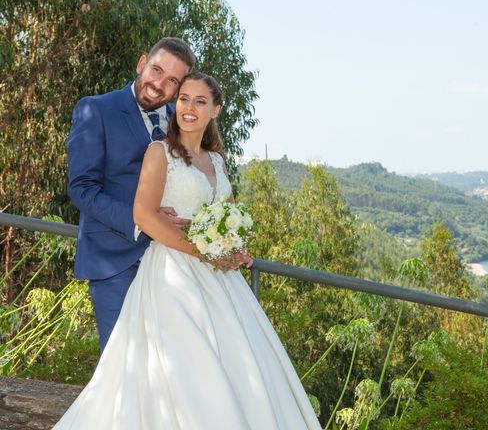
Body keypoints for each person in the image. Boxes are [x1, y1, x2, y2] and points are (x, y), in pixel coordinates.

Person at [54, 73, 321, 429]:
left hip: (221, 281)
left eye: (199, 101)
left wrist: (235, 247)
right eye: (183, 99)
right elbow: (144, 216)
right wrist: (204, 251)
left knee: (240, 364)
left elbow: (222, 216)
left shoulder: (218, 161)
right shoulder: (158, 152)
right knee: (188, 369)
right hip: (171, 275)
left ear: (215, 110)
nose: (188, 108)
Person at [67, 37, 195, 353]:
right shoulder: (95, 109)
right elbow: (82, 189)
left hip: (172, 260)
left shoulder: (182, 122)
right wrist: (142, 220)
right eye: (156, 70)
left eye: (172, 81)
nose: (159, 84)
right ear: (141, 64)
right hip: (115, 259)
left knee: (168, 361)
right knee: (122, 362)